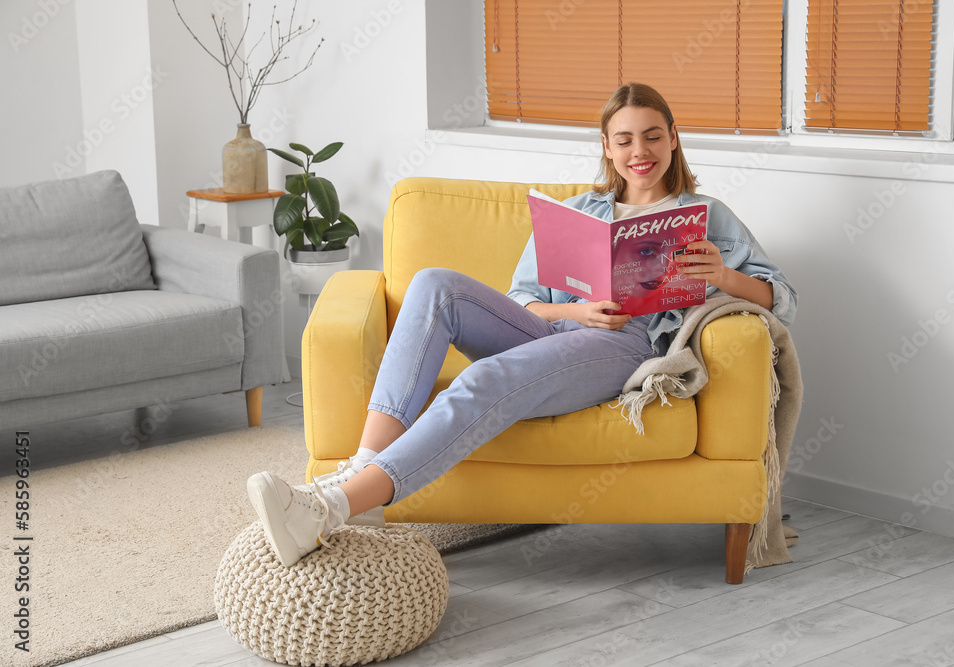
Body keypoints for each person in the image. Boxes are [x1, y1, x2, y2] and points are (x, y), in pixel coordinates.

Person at [246, 82, 798, 567]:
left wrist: (725, 274)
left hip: (626, 345)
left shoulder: (707, 214)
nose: (640, 151)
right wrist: (575, 311)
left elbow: (784, 299)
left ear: (673, 138)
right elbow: (523, 301)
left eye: (652, 136)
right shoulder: (580, 212)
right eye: (624, 139)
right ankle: (362, 469)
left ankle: (335, 505)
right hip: (560, 330)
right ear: (606, 147)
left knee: (481, 381)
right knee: (435, 283)